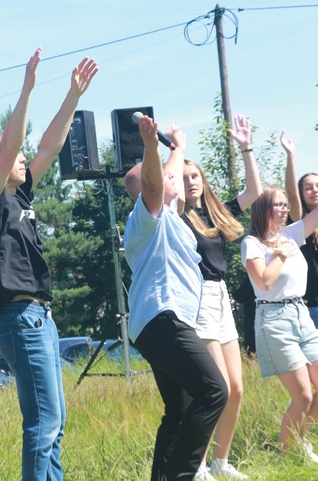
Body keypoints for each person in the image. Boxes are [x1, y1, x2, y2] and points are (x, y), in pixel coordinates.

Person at [0, 48, 97, 480]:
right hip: (22, 317)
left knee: (54, 426)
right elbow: (17, 145)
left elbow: (49, 145)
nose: (22, 160)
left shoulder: (19, 196)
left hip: (40, 317)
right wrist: (27, 89)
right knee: (44, 423)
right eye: (10, 156)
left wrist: (72, 96)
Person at [124, 116, 228, 481]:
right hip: (162, 317)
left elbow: (166, 183)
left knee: (180, 409)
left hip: (158, 323)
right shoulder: (148, 216)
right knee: (215, 391)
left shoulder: (168, 214)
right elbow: (154, 182)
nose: (176, 178)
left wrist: (177, 147)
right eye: (170, 176)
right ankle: (183, 476)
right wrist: (151, 145)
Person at [182, 114, 261, 480]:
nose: (191, 182)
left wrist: (246, 148)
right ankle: (195, 465)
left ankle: (220, 461)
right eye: (183, 179)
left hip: (221, 297)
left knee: (238, 388)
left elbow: (253, 193)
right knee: (218, 387)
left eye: (194, 176)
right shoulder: (176, 217)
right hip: (196, 299)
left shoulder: (214, 211)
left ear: (203, 179)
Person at [241, 184, 318, 459]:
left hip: (301, 314)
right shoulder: (252, 244)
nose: (285, 209)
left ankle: (299, 440)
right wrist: (282, 254)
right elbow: (263, 281)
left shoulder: (291, 234)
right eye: (279, 204)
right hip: (273, 318)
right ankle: (287, 455)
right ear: (263, 208)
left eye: (286, 204)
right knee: (303, 396)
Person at [284, 131, 318, 329]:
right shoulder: (299, 222)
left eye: (317, 186)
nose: (314, 190)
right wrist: (291, 156)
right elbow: (291, 194)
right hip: (311, 306)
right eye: (308, 187)